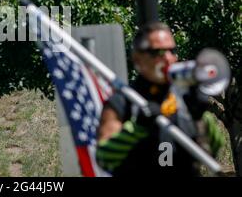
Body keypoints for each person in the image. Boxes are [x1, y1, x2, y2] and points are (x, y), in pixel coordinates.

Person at [96, 22, 224, 176]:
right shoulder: (123, 101)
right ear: (137, 59)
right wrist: (138, 128)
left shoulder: (183, 98)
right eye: (159, 52)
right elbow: (104, 158)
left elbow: (214, 151)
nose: (169, 58)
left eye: (172, 50)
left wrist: (201, 118)